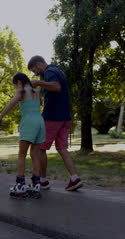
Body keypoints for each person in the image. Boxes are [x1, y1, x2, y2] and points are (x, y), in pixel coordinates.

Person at [28, 55, 83, 191]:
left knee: (40, 148)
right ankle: (74, 178)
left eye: (34, 70)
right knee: (62, 148)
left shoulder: (49, 72)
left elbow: (56, 87)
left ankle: (43, 181)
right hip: (65, 117)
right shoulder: (58, 71)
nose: (35, 73)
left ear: (39, 64)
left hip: (53, 117)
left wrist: (38, 83)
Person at [0, 72, 45, 198]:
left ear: (19, 82)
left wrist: (0, 116)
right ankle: (35, 185)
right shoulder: (36, 91)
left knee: (22, 154)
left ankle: (20, 186)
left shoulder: (21, 92)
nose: (15, 88)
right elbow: (40, 103)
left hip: (28, 122)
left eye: (15, 85)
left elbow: (11, 103)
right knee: (35, 155)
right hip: (40, 122)